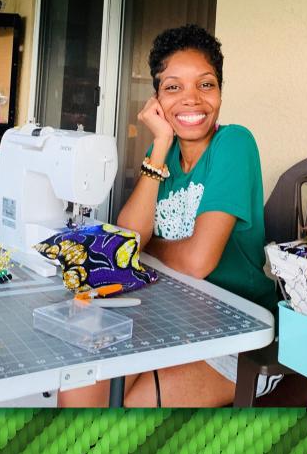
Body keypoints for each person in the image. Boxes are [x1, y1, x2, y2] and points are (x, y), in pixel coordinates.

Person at [58, 24, 277, 408]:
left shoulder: (234, 144)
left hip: (239, 337)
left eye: (205, 85)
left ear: (220, 92)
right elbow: (128, 236)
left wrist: (149, 247)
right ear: (157, 98)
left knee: (130, 406)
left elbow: (196, 262)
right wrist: (159, 145)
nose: (192, 100)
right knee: (79, 386)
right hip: (171, 318)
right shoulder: (167, 159)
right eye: (174, 87)